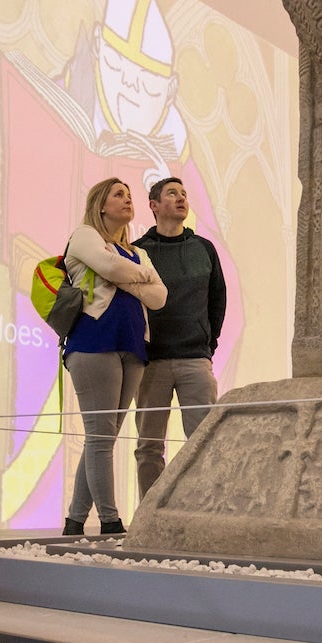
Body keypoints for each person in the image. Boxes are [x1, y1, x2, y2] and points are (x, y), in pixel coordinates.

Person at [62, 179, 166, 537]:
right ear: (101, 204)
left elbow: (160, 296)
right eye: (118, 194)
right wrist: (138, 277)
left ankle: (75, 521)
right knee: (101, 438)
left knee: (100, 438)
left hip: (133, 346)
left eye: (129, 195)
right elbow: (110, 269)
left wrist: (123, 272)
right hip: (94, 343)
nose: (127, 200)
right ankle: (110, 522)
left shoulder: (138, 252)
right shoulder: (84, 235)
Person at [131, 176, 226, 495]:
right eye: (172, 194)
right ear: (154, 205)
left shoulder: (204, 248)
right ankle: (149, 521)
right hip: (151, 362)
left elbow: (217, 300)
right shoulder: (138, 252)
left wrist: (206, 344)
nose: (182, 198)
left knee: (204, 443)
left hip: (195, 360)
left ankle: (200, 515)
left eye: (184, 193)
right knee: (148, 447)